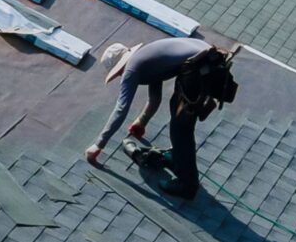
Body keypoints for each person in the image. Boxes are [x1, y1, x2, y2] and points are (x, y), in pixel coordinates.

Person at [86, 37, 238, 201]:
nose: (122, 76)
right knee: (177, 111)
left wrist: (98, 144)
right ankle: (177, 157)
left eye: (119, 73)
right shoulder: (146, 58)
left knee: (181, 128)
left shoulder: (132, 69)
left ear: (120, 67)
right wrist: (142, 121)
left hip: (199, 68)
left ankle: (187, 185)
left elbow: (121, 108)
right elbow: (155, 98)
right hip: (207, 62)